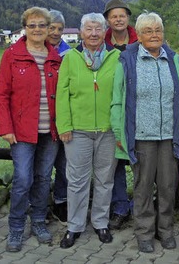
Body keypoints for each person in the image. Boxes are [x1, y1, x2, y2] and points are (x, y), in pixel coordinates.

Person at [110, 12, 179, 253]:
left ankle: (165, 230)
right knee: (143, 187)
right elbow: (117, 99)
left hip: (168, 135)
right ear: (140, 35)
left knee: (168, 186)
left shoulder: (173, 59)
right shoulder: (128, 60)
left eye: (158, 30)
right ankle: (144, 233)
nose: (154, 35)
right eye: (148, 31)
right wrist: (119, 132)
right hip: (141, 137)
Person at [0, 7, 62, 252]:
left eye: (42, 25)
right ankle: (15, 227)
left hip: (50, 131)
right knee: (23, 179)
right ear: (25, 28)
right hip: (22, 131)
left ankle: (39, 222)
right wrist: (6, 127)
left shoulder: (55, 57)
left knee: (44, 178)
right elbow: (1, 95)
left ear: (48, 28)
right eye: (32, 25)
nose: (37, 29)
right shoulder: (12, 55)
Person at [56, 13, 120, 248]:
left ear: (105, 32)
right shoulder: (70, 58)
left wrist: (120, 128)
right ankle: (74, 226)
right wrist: (64, 125)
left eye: (98, 29)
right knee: (77, 181)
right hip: (77, 131)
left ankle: (101, 223)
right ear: (81, 33)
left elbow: (121, 95)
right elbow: (61, 95)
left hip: (108, 130)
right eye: (89, 29)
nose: (94, 34)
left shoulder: (116, 58)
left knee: (105, 179)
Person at [103, 0, 138, 230]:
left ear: (128, 18)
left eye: (122, 15)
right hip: (111, 112)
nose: (118, 19)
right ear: (107, 20)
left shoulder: (141, 41)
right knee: (115, 164)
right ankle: (119, 207)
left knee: (142, 162)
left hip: (138, 111)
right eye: (113, 16)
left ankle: (140, 206)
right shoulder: (100, 44)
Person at [47, 9, 71, 223]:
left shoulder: (69, 53)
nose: (55, 32)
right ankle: (41, 203)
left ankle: (61, 201)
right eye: (51, 27)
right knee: (42, 166)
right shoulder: (35, 50)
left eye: (60, 29)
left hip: (63, 116)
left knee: (64, 165)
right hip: (43, 116)